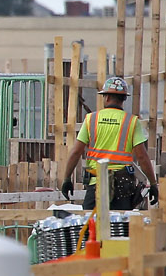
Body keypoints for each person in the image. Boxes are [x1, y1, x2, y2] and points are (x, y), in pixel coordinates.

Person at [57, 76, 156, 212]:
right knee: (119, 229)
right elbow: (142, 157)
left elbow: (76, 152)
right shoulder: (132, 122)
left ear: (107, 97)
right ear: (124, 99)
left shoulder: (91, 119)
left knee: (90, 228)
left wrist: (67, 178)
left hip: (96, 184)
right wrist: (153, 183)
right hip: (123, 188)